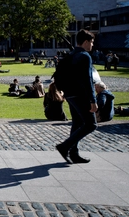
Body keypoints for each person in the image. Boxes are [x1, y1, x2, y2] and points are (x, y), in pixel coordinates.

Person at [55, 29, 97, 164]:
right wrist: (93, 100)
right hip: (80, 95)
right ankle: (65, 146)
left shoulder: (72, 54)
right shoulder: (85, 56)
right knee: (91, 124)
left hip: (70, 94)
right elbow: (88, 80)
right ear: (85, 42)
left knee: (77, 123)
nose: (92, 45)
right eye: (91, 42)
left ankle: (74, 153)